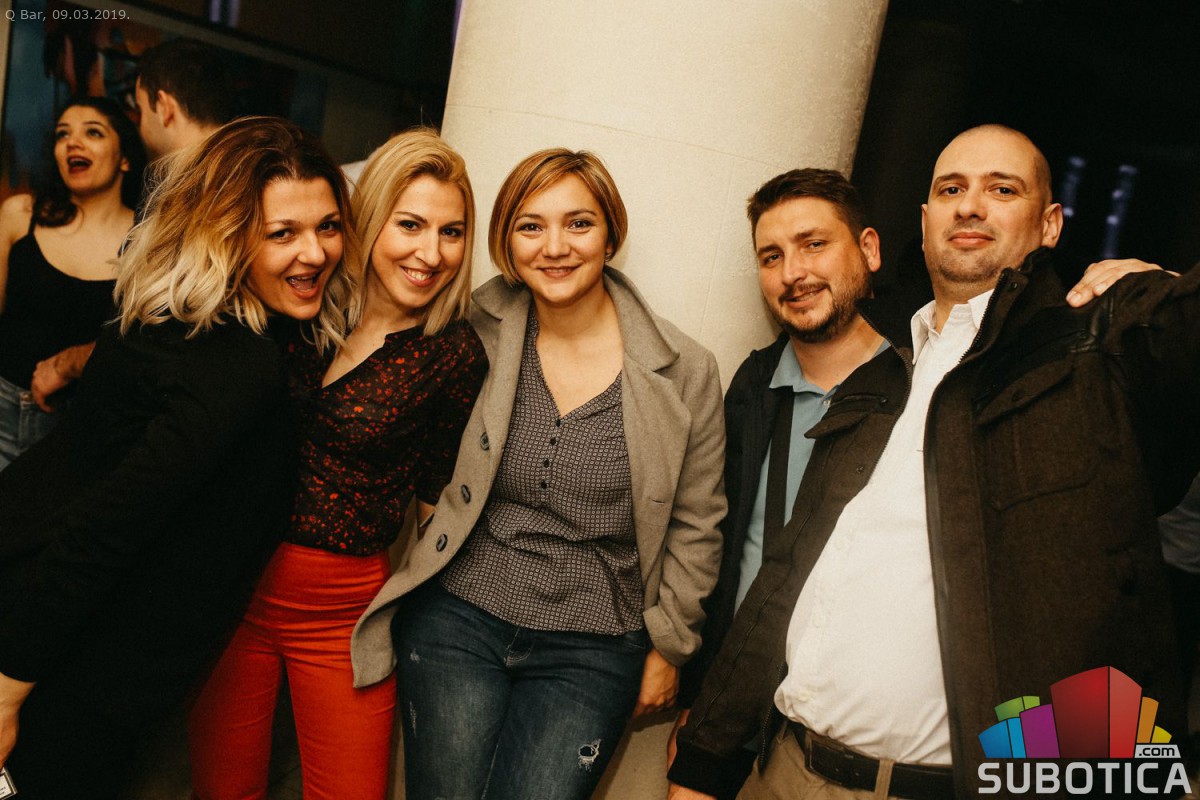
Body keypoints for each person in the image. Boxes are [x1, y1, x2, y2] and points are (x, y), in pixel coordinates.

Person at [668, 124, 1200, 799]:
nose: (969, 205)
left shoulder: (1097, 351)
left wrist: (1167, 293)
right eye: (951, 189)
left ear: (1049, 225)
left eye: (1001, 189)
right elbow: (785, 577)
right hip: (791, 773)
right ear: (924, 226)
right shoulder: (881, 380)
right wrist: (704, 764)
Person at [350, 148, 726, 800]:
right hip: (458, 620)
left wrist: (669, 647)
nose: (555, 247)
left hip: (594, 647)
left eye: (579, 223)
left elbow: (699, 522)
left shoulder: (683, 369)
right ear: (506, 243)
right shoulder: (475, 330)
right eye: (531, 226)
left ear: (611, 235)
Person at [0, 116, 354, 800]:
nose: (314, 253)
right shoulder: (236, 363)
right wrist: (10, 689)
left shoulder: (171, 318)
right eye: (282, 233)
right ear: (227, 233)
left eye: (328, 226)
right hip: (65, 662)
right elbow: (103, 527)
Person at [188, 129, 488, 800]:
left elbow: (437, 501)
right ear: (371, 218)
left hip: (344, 615)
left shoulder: (452, 353)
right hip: (233, 588)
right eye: (410, 224)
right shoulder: (297, 307)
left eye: (452, 232)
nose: (431, 253)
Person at [0, 97, 145, 468]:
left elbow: (144, 348)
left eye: (93, 133)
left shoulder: (148, 242)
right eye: (63, 135)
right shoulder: (21, 215)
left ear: (125, 159)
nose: (73, 143)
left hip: (85, 434)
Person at [134, 38, 235, 161]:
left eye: (140, 111)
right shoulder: (246, 160)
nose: (140, 127)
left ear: (164, 107)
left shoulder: (201, 170)